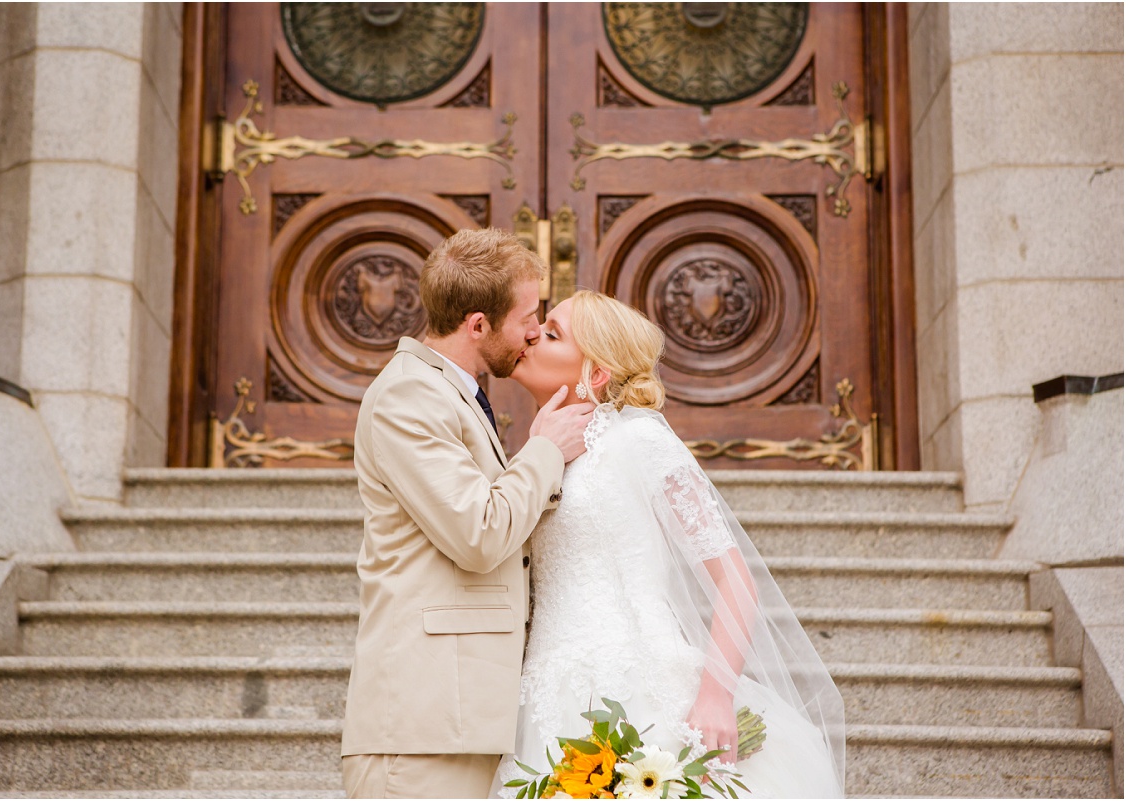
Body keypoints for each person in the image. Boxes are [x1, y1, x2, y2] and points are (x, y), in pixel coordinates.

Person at [493, 291, 846, 798]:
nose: (530, 336)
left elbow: (734, 578)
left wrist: (716, 695)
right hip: (545, 693)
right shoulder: (538, 455)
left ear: (595, 374)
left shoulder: (641, 441)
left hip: (641, 685)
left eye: (551, 333)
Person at [341, 228, 595, 799]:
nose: (534, 331)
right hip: (422, 734)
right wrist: (547, 449)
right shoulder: (408, 397)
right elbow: (478, 534)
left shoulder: (450, 392)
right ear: (478, 325)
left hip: (465, 718)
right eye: (528, 316)